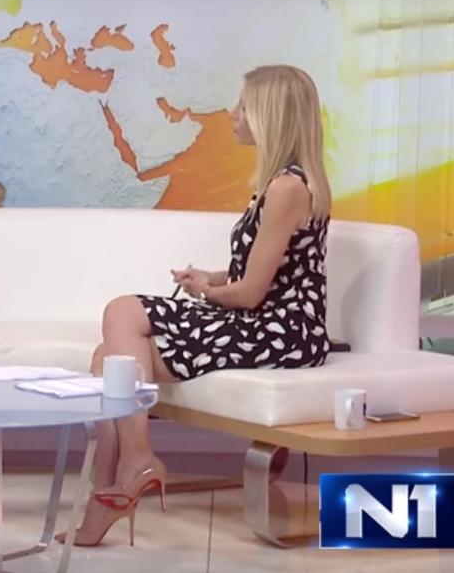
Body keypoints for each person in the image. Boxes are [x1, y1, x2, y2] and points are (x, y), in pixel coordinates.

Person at [60, 65, 333, 546]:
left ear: (270, 116)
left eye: (244, 106)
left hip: (283, 330)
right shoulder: (281, 183)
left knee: (122, 312)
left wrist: (208, 292)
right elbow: (267, 271)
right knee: (109, 360)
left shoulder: (287, 189)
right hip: (262, 317)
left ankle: (135, 463)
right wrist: (211, 278)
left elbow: (252, 295)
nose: (233, 114)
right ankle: (110, 492)